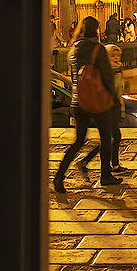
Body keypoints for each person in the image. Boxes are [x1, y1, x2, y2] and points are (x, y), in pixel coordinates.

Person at [53, 16, 123, 194]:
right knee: (106, 138)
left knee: (78, 141)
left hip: (78, 100)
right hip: (97, 98)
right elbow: (107, 75)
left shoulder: (74, 49)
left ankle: (59, 176)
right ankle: (105, 175)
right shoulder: (97, 49)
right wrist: (113, 97)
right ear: (97, 29)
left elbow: (74, 76)